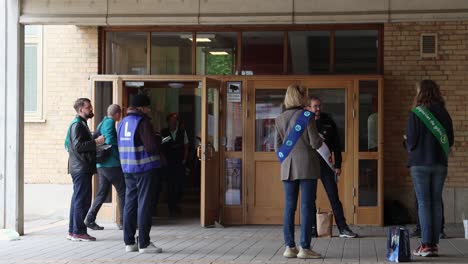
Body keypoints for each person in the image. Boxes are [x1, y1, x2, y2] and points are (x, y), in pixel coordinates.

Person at [405, 80, 454, 257]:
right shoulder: (444, 113)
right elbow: (450, 140)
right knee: (435, 202)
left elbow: (410, 141)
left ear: (421, 92)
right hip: (440, 163)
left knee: (424, 203)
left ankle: (425, 245)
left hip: (420, 164)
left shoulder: (416, 113)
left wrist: (407, 142)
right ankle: (434, 245)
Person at [274, 84, 323, 259]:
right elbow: (315, 143)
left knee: (289, 207)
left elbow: (277, 148)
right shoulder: (307, 116)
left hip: (287, 168)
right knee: (307, 206)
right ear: (301, 97)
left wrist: (288, 159)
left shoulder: (279, 118)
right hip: (307, 166)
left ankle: (289, 247)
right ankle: (305, 247)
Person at [306, 97, 358, 238]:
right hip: (309, 165)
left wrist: (338, 165)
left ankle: (343, 228)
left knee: (333, 196)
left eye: (319, 106)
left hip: (326, 165)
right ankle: (312, 229)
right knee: (310, 198)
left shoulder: (328, 122)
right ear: (308, 108)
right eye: (315, 106)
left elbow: (336, 145)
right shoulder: (303, 122)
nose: (318, 109)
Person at [118, 94, 162, 254]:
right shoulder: (142, 122)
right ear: (141, 108)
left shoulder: (122, 123)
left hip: (128, 169)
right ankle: (144, 243)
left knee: (130, 204)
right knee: (144, 204)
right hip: (144, 169)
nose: (149, 110)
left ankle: (129, 242)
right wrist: (159, 138)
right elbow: (151, 147)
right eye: (147, 107)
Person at [65, 98, 105, 242]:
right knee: (82, 201)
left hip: (80, 167)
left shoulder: (81, 124)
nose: (91, 109)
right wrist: (96, 142)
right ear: (81, 110)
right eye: (88, 107)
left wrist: (93, 138)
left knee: (77, 200)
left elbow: (80, 144)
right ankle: (79, 232)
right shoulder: (78, 125)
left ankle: (73, 231)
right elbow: (78, 146)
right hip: (81, 168)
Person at [84, 104, 126, 231]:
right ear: (118, 114)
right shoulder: (109, 123)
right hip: (111, 164)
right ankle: (124, 222)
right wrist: (120, 144)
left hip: (102, 165)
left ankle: (90, 219)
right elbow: (108, 140)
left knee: (102, 193)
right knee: (123, 191)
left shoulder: (102, 123)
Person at [161, 112, 189, 217]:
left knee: (179, 185)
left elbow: (186, 146)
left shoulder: (182, 132)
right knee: (169, 185)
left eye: (175, 121)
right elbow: (161, 146)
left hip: (179, 162)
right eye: (171, 121)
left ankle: (176, 203)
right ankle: (171, 207)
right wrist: (163, 158)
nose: (173, 123)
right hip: (168, 162)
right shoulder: (164, 132)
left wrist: (185, 159)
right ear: (168, 122)